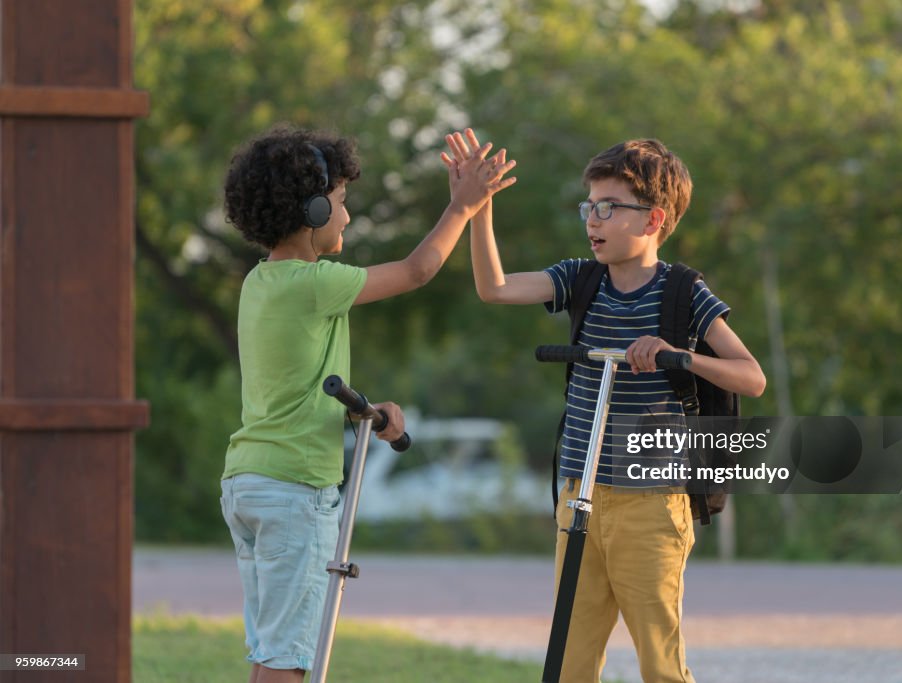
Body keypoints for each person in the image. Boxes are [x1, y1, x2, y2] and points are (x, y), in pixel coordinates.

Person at [444, 130, 765, 682]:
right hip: (580, 490)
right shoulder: (579, 279)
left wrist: (678, 357)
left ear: (653, 220)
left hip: (652, 500)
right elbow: (494, 288)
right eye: (589, 206)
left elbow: (750, 377)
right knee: (570, 663)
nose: (592, 219)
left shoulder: (684, 294)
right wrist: (478, 208)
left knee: (660, 665)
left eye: (609, 207)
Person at [220, 124, 515, 683]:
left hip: (249, 482)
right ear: (310, 211)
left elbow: (298, 385)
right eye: (340, 202)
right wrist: (463, 206)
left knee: (270, 652)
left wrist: (366, 410)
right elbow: (417, 270)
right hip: (294, 491)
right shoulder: (314, 284)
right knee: (286, 662)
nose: (348, 217)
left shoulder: (261, 283)